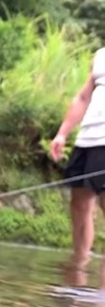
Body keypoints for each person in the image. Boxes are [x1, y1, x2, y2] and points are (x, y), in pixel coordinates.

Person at [50, 47, 105, 267]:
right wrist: (62, 133)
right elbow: (83, 97)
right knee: (80, 203)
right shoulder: (101, 55)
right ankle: (78, 268)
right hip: (88, 139)